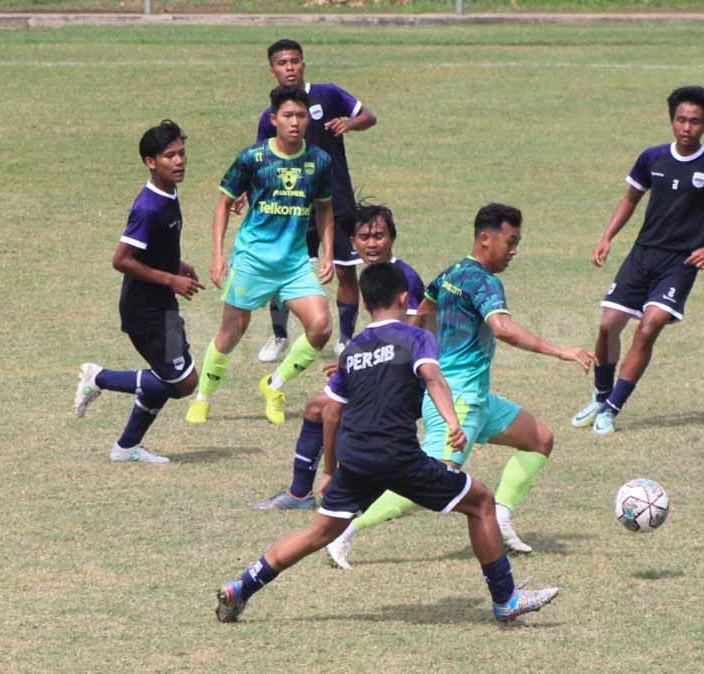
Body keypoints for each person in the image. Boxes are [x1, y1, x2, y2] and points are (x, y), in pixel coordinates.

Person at [215, 262, 558, 624]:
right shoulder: (416, 337)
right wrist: (452, 421)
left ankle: (242, 587)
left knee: (317, 532)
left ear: (364, 304)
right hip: (397, 455)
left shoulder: (352, 350)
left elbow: (331, 414)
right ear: (404, 297)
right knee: (482, 502)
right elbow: (434, 379)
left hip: (355, 458)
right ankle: (505, 598)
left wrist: (330, 471)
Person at [324, 204, 595, 568]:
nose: (514, 251)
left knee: (539, 439)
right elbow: (502, 328)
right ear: (486, 238)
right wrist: (562, 351)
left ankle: (499, 517)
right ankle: (346, 529)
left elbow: (422, 313)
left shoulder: (453, 272)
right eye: (510, 242)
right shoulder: (484, 281)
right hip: (457, 398)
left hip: (477, 398)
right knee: (432, 478)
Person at [571, 85, 704, 436]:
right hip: (642, 254)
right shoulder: (653, 158)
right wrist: (607, 237)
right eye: (681, 120)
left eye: (694, 121)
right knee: (608, 325)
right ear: (671, 121)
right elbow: (631, 199)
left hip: (680, 262)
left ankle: (613, 408)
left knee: (649, 327)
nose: (686, 128)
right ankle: (600, 396)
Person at [251, 201, 425, 511]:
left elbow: (414, 337)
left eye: (379, 236)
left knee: (327, 410)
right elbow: (384, 335)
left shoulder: (403, 277)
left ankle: (327, 487)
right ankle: (305, 492)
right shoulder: (375, 275)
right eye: (364, 236)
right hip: (386, 374)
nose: (372, 243)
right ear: (353, 243)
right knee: (319, 408)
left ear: (392, 238)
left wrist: (362, 366)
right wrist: (354, 363)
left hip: (406, 381)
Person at [184, 85, 335, 427]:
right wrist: (219, 255)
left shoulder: (319, 161)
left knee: (321, 326)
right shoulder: (253, 158)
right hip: (252, 260)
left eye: (300, 116)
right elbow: (224, 202)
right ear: (274, 120)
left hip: (294, 264)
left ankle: (274, 385)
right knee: (231, 333)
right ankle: (203, 397)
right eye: (287, 116)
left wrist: (327, 252)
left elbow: (325, 209)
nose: (294, 122)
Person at [73, 120, 204, 463]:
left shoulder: (169, 193)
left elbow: (154, 250)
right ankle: (99, 377)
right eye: (169, 156)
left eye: (181, 154)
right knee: (183, 382)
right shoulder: (148, 207)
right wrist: (171, 279)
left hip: (166, 306)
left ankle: (126, 446)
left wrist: (176, 265)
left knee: (178, 376)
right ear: (150, 161)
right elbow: (122, 259)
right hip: (145, 312)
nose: (179, 162)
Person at [242, 39, 378, 364]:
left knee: (346, 271)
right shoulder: (270, 117)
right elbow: (261, 160)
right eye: (282, 63)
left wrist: (350, 122)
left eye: (294, 61)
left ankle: (345, 337)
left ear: (303, 63)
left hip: (336, 202)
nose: (289, 67)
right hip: (291, 208)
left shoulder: (328, 95)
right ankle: (279, 336)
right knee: (281, 272)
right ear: (272, 69)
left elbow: (369, 116)